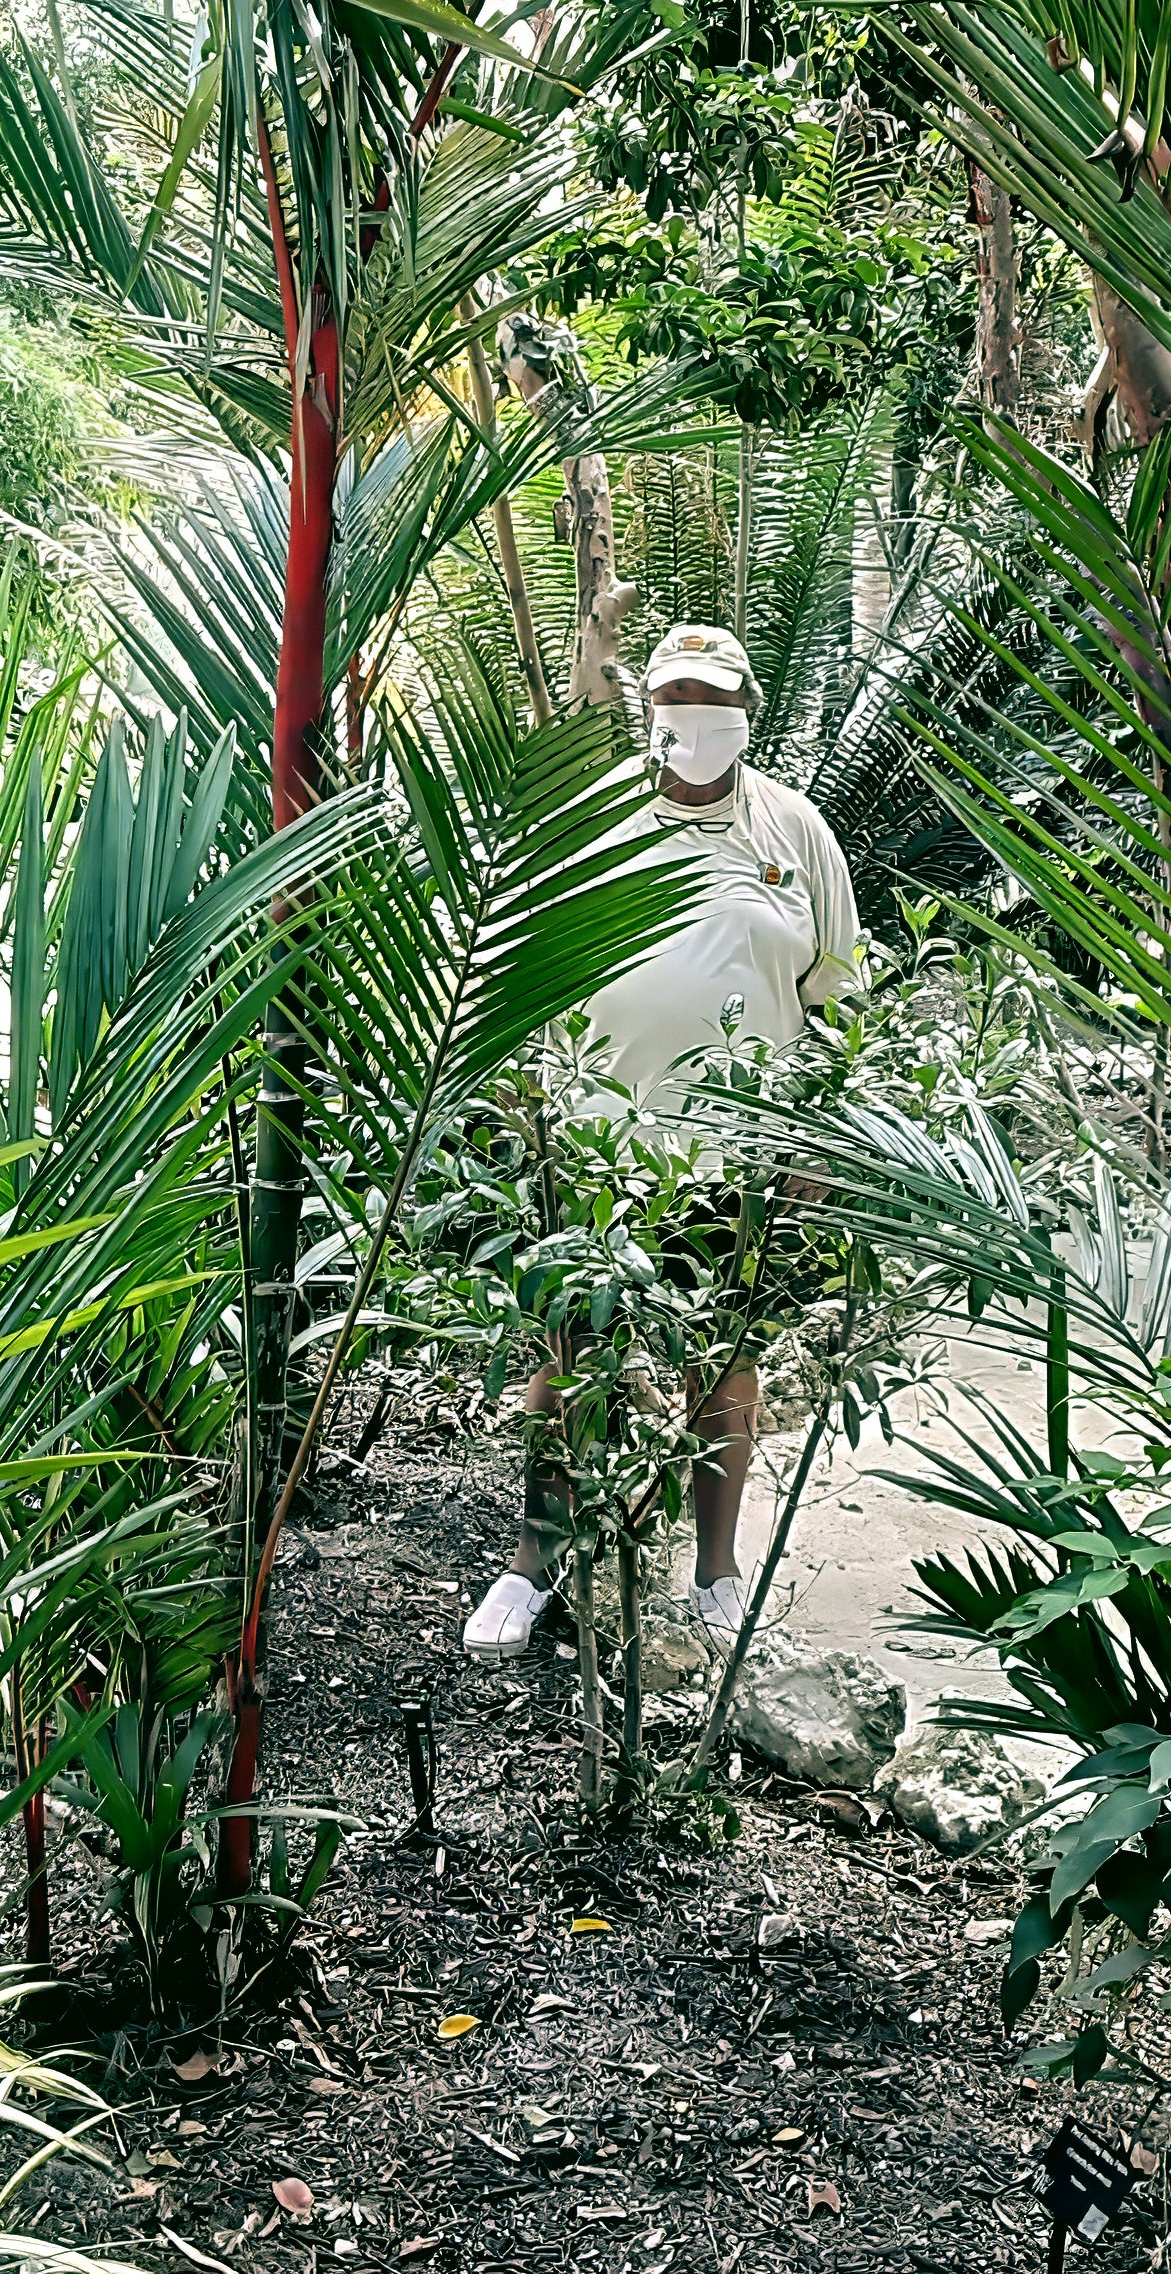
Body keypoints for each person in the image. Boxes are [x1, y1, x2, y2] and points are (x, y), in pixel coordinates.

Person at [463, 621, 865, 1656]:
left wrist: (817, 1139)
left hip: (739, 1156)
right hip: (601, 1150)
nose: (695, 719)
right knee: (569, 1356)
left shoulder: (796, 830)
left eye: (714, 699)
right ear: (649, 709)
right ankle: (532, 1561)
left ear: (746, 710)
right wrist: (526, 1115)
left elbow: (841, 996)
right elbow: (517, 976)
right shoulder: (593, 826)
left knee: (723, 1365)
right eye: (676, 698)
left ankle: (718, 1573)